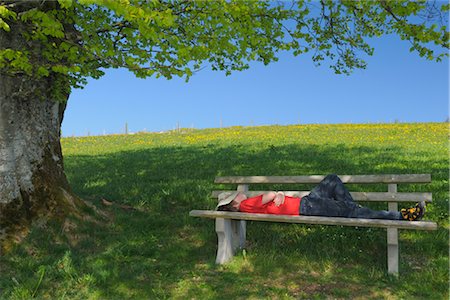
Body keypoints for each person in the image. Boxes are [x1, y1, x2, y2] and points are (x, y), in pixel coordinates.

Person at [217, 174, 425, 221]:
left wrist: (278, 196)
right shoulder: (245, 203)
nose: (239, 194)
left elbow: (269, 202)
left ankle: (350, 208)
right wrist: (278, 193)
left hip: (307, 203)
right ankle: (402, 216)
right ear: (234, 203)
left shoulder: (245, 207)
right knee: (349, 207)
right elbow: (269, 195)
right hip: (306, 207)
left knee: (332, 180)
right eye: (234, 196)